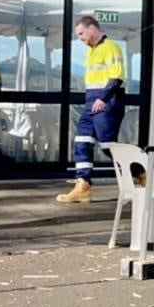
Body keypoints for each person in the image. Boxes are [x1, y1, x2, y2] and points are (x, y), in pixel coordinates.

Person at [56, 15, 138, 203]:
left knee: (108, 146)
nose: (80, 39)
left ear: (92, 28)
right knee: (82, 140)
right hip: (91, 101)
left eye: (81, 34)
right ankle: (83, 184)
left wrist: (103, 98)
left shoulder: (111, 47)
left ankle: (140, 171)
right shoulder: (91, 51)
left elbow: (117, 77)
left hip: (107, 101)